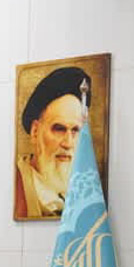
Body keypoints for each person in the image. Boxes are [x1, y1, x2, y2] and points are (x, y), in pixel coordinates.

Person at [14, 66, 88, 219]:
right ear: (35, 132)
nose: (68, 143)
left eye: (75, 130)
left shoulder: (82, 192)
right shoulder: (16, 187)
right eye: (59, 129)